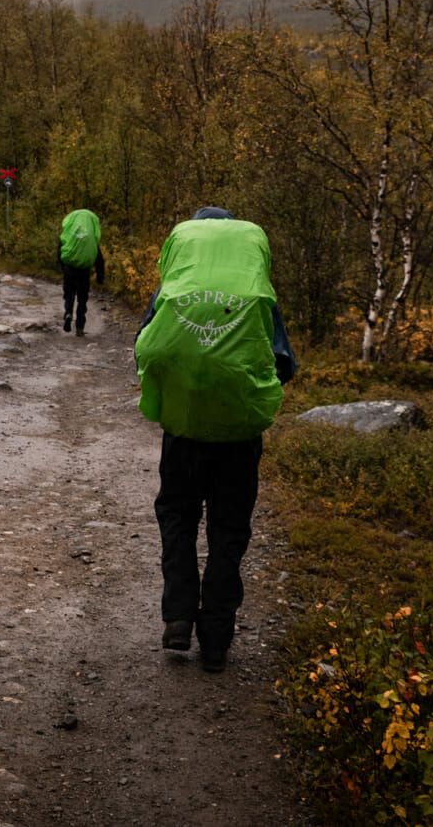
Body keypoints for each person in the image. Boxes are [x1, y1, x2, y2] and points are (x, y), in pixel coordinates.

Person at [133, 207, 296, 673]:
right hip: (239, 436)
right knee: (229, 531)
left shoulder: (173, 291)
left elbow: (147, 345)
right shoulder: (257, 297)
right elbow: (283, 365)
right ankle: (218, 640)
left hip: (183, 432)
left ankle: (179, 616)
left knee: (177, 517)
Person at [57, 207, 106, 335]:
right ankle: (79, 327)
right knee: (82, 299)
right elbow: (99, 258)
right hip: (84, 271)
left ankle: (68, 313)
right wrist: (100, 276)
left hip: (70, 269)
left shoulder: (70, 235)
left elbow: (60, 251)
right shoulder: (90, 239)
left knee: (69, 295)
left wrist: (63, 268)